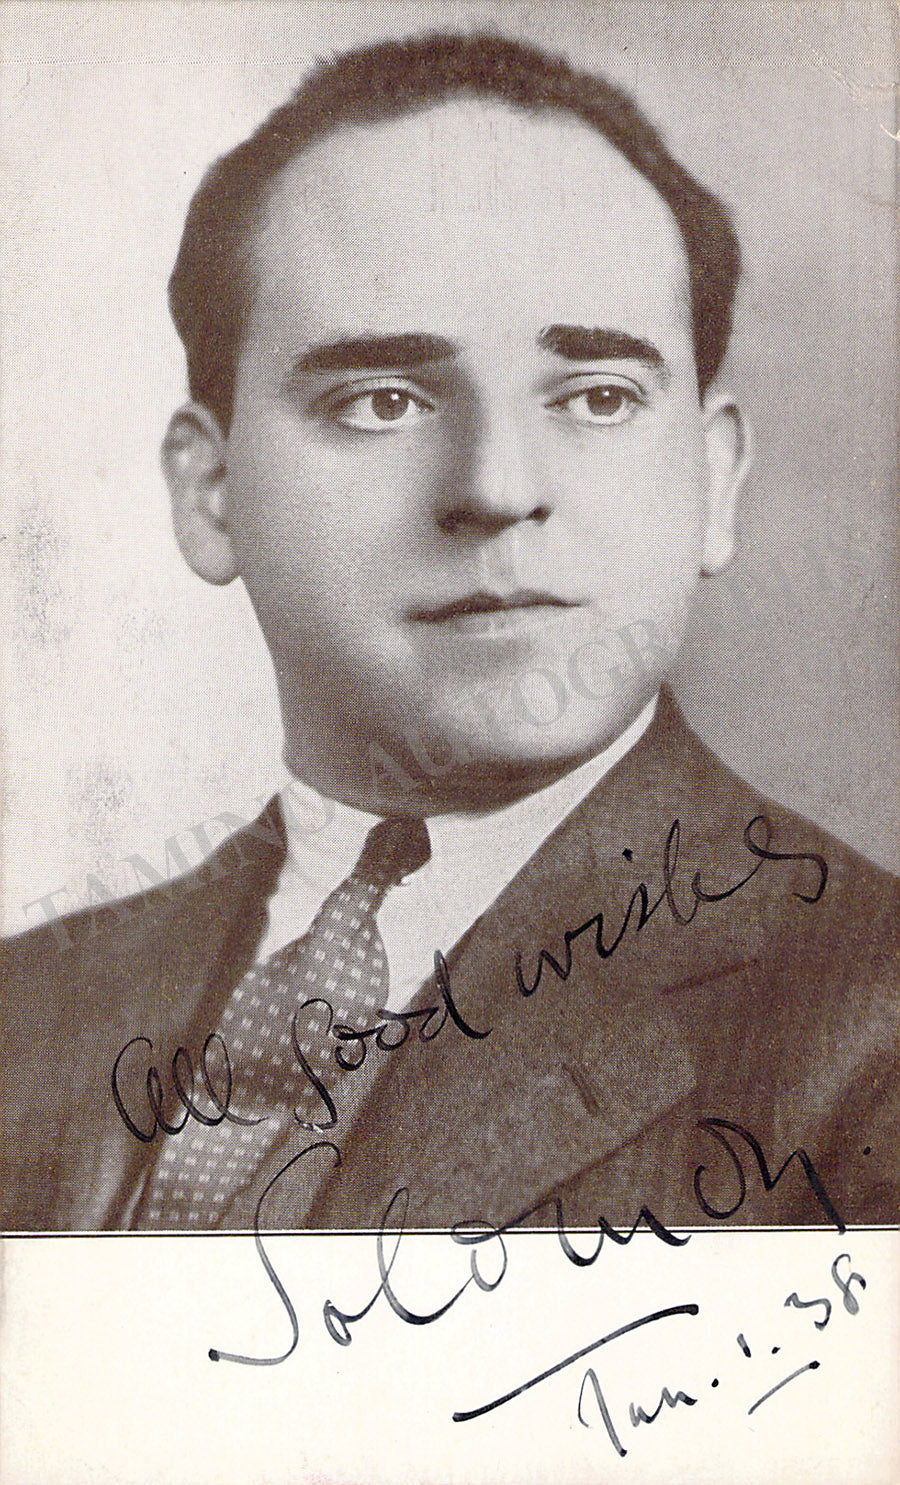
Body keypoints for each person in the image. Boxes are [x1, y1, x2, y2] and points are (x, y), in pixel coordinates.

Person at [2, 32, 897, 1234]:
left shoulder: (870, 1030)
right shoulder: (24, 1009)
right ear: (210, 494)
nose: (496, 486)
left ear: (713, 480)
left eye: (598, 396)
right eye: (383, 401)